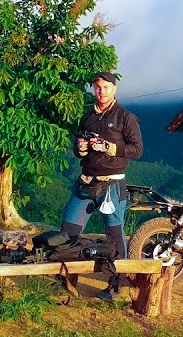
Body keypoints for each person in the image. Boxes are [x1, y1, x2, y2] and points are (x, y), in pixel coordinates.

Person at [61, 70, 143, 300]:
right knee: (68, 231)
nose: (101, 91)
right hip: (85, 181)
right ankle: (66, 279)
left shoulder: (125, 117)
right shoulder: (88, 117)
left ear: (114, 89)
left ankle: (117, 285)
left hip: (112, 185)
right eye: (97, 87)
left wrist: (110, 148)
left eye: (106, 87)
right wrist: (81, 148)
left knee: (114, 235)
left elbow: (137, 150)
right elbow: (78, 153)